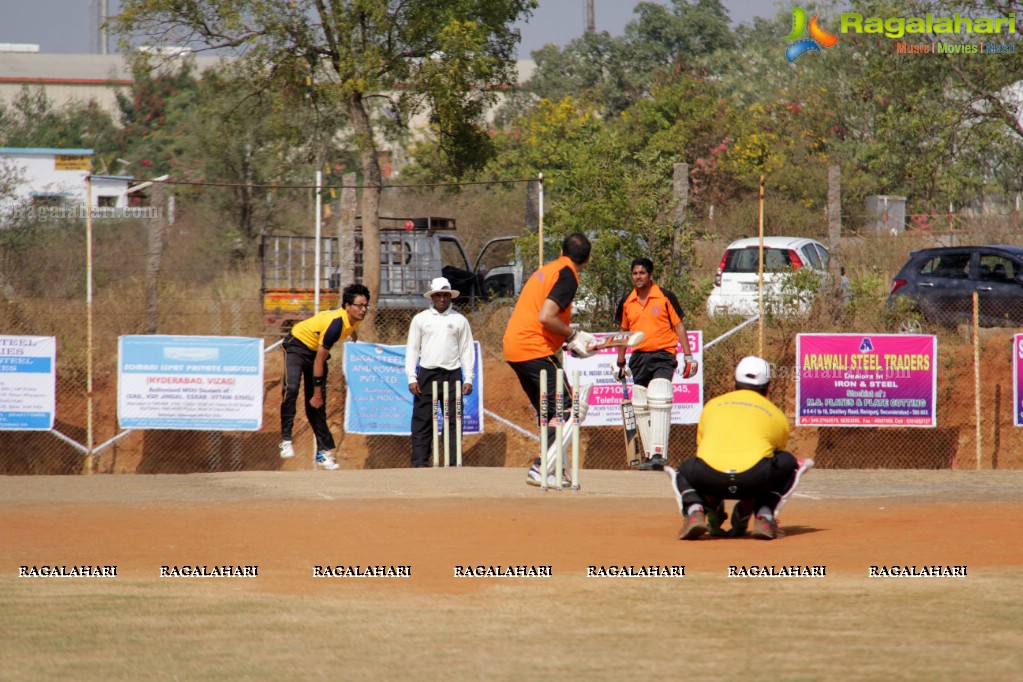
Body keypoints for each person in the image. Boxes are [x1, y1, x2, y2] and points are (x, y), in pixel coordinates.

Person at [667, 356, 800, 541]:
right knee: (788, 462)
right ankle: (764, 515)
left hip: (710, 478)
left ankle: (695, 510)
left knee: (687, 468)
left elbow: (702, 448)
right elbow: (773, 453)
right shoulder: (776, 414)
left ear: (734, 383)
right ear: (768, 387)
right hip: (753, 480)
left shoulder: (712, 406)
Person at [503, 233, 596, 488]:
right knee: (570, 410)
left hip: (515, 348)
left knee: (551, 414)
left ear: (561, 250)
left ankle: (552, 471)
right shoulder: (568, 274)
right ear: (587, 259)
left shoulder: (547, 270)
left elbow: (539, 316)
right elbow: (546, 316)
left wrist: (568, 341)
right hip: (535, 348)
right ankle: (540, 467)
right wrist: (574, 334)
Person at [611, 258, 698, 471]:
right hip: (639, 357)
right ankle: (650, 456)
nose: (638, 277)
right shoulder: (626, 301)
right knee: (640, 402)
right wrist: (620, 362)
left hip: (663, 354)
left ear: (650, 275)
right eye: (635, 273)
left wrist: (688, 356)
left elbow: (679, 327)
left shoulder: (665, 296)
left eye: (642, 273)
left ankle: (659, 453)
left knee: (659, 393)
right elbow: (623, 333)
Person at [278, 283, 371, 470]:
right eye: (359, 305)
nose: (363, 309)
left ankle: (323, 453)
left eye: (365, 305)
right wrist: (317, 392)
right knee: (292, 388)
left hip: (314, 352)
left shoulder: (355, 318)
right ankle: (286, 440)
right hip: (297, 345)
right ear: (347, 306)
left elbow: (320, 355)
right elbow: (320, 360)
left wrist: (353, 331)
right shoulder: (335, 325)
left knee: (316, 407)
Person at [405, 277, 475, 467]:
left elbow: (466, 350)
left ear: (450, 296)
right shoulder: (420, 319)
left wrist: (468, 377)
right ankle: (419, 463)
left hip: (452, 374)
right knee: (422, 420)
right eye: (438, 295)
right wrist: (412, 377)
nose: (442, 299)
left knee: (454, 420)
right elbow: (412, 349)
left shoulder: (459, 320)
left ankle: (452, 462)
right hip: (427, 374)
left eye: (446, 295)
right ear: (433, 296)